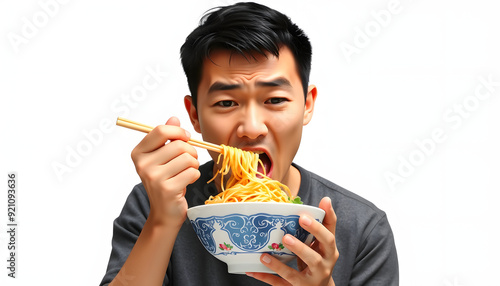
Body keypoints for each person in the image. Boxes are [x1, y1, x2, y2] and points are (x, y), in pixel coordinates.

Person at [100, 2, 398, 285]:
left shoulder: (363, 228)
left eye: (276, 100)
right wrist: (162, 222)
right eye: (226, 102)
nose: (252, 128)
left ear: (307, 105)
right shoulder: (156, 202)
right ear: (195, 115)